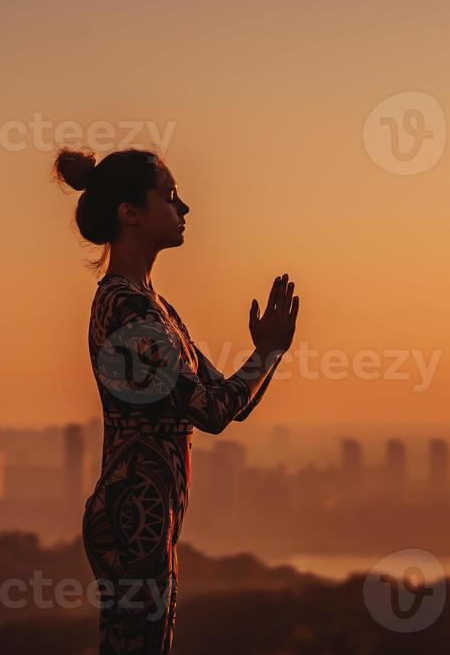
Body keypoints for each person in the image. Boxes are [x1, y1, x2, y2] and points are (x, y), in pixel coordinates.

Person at [53, 147, 300, 655]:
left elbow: (230, 402)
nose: (184, 208)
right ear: (130, 213)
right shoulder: (126, 308)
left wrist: (267, 356)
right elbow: (211, 412)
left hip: (148, 514)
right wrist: (268, 352)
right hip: (134, 515)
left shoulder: (155, 307)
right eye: (170, 197)